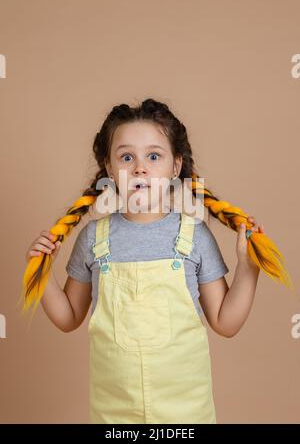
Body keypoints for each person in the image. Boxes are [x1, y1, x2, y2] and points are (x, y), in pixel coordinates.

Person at [23, 98, 293, 424]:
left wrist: (248, 268)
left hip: (186, 414)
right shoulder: (94, 238)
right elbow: (68, 317)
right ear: (109, 169)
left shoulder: (194, 235)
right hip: (114, 415)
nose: (140, 167)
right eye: (126, 157)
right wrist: (43, 271)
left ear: (175, 167)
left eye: (153, 156)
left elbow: (226, 322)